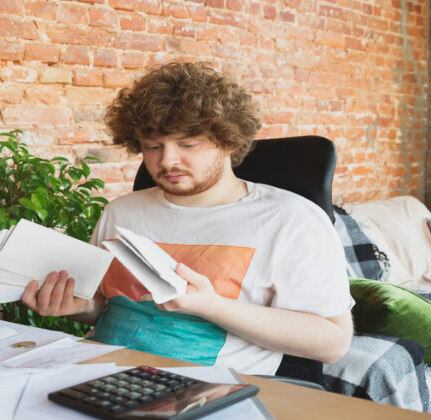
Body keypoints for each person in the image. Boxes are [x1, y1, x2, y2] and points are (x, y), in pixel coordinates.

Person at [21, 62, 353, 375]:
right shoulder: (121, 212)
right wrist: (75, 306)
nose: (167, 161)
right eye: (153, 146)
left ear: (227, 142)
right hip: (99, 371)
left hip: (210, 389)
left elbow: (332, 343)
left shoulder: (291, 219)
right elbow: (110, 307)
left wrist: (212, 306)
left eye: (187, 144)